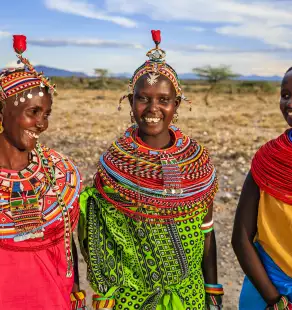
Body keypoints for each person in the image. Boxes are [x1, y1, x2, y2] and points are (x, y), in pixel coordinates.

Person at [78, 30, 223, 310]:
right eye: (143, 98)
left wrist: (212, 293)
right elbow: (101, 242)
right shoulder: (114, 167)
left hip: (190, 295)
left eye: (163, 100)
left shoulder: (198, 163)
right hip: (131, 300)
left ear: (176, 105)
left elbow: (207, 232)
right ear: (131, 103)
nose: (152, 108)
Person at [0, 35, 85, 309]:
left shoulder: (59, 172)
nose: (41, 124)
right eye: (32, 112)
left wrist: (76, 292)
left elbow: (66, 243)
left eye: (46, 114)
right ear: (2, 112)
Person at [232, 62, 292, 310]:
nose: (291, 103)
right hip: (268, 292)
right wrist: (274, 301)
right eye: (285, 95)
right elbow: (240, 238)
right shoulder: (269, 159)